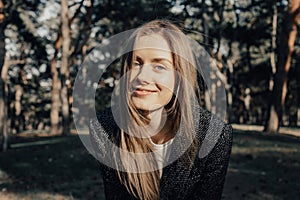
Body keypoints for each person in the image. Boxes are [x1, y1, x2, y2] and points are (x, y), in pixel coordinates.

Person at [89, 19, 232, 200]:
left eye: (159, 66)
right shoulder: (104, 128)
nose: (142, 77)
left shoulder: (214, 136)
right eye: (137, 63)